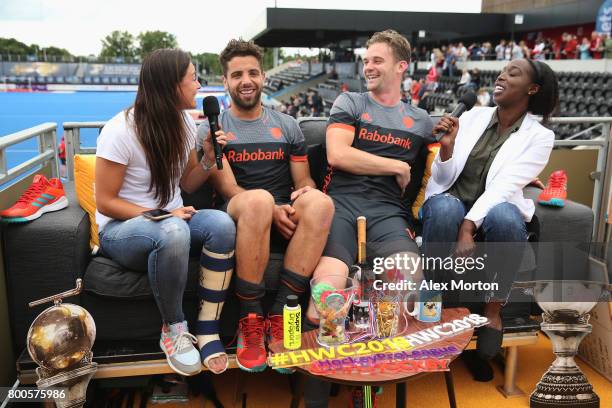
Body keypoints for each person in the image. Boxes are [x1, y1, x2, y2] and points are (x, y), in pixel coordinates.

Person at [303, 30, 434, 405]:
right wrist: (394, 163)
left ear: (401, 66)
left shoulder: (421, 120)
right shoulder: (351, 101)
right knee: (324, 300)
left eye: (377, 60)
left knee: (406, 275)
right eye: (366, 60)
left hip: (389, 214)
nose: (369, 67)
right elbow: (338, 155)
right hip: (340, 206)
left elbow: (449, 163)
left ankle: (369, 379)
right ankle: (325, 383)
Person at [95, 49, 236, 376]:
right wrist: (163, 215)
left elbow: (187, 181)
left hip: (170, 220)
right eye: (192, 79)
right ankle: (173, 329)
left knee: (222, 224)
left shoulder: (184, 124)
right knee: (174, 232)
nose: (199, 85)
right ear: (170, 85)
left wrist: (208, 157)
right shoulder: (120, 131)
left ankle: (207, 324)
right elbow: (105, 202)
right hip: (122, 229)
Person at [197, 39, 334, 373]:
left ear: (263, 77)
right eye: (237, 74)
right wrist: (272, 209)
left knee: (320, 203)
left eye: (253, 72)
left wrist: (301, 198)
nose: (247, 80)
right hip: (242, 213)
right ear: (226, 81)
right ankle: (251, 320)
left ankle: (281, 312)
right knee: (258, 200)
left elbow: (303, 182)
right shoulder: (213, 129)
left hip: (284, 219)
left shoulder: (287, 125)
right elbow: (227, 189)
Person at [421, 58, 558, 379]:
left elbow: (504, 186)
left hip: (495, 208)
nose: (502, 75)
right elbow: (441, 178)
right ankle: (435, 306)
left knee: (508, 218)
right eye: (503, 70)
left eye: (514, 73)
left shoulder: (540, 137)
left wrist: (470, 225)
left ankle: (493, 310)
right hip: (452, 199)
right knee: (444, 208)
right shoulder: (472, 116)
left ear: (531, 88)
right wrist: (447, 149)